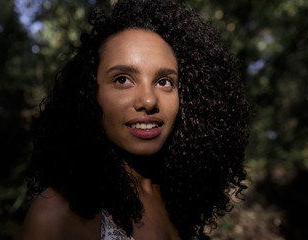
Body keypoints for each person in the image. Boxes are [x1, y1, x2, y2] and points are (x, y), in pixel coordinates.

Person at [19, 0, 251, 239]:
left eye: (164, 82)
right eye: (122, 79)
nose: (149, 101)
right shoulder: (56, 215)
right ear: (87, 94)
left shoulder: (182, 203)